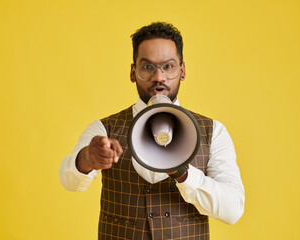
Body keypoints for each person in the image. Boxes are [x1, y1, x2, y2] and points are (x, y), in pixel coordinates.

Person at [59, 22, 245, 240]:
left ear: (182, 71)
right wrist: (86, 159)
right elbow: (69, 181)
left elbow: (233, 211)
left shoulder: (213, 131)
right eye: (147, 67)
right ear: (132, 72)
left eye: (168, 66)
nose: (159, 77)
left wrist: (183, 173)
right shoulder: (105, 129)